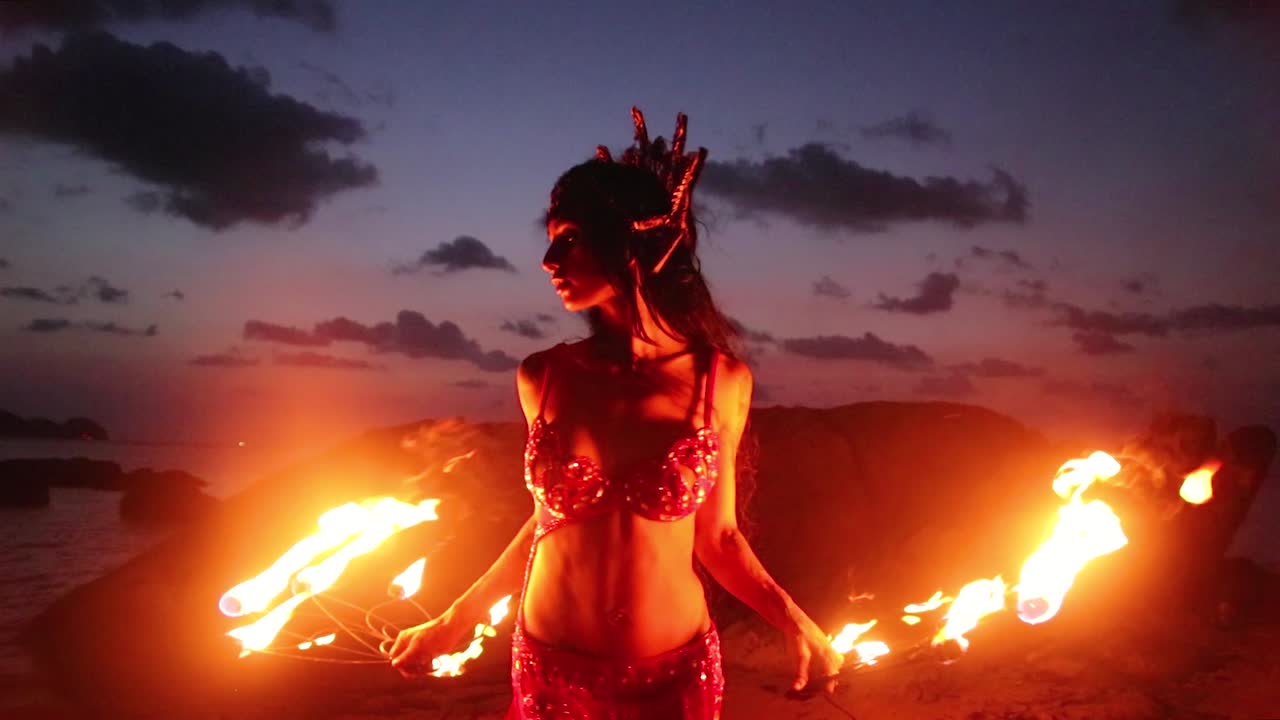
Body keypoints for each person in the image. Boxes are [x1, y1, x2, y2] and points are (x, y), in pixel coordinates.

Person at [389, 108, 842, 718]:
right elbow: (546, 522)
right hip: (552, 680)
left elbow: (719, 538)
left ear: (630, 241)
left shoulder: (720, 381)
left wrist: (795, 622)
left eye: (570, 238)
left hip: (673, 683)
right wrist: (454, 620)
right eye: (551, 239)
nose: (549, 260)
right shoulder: (544, 376)